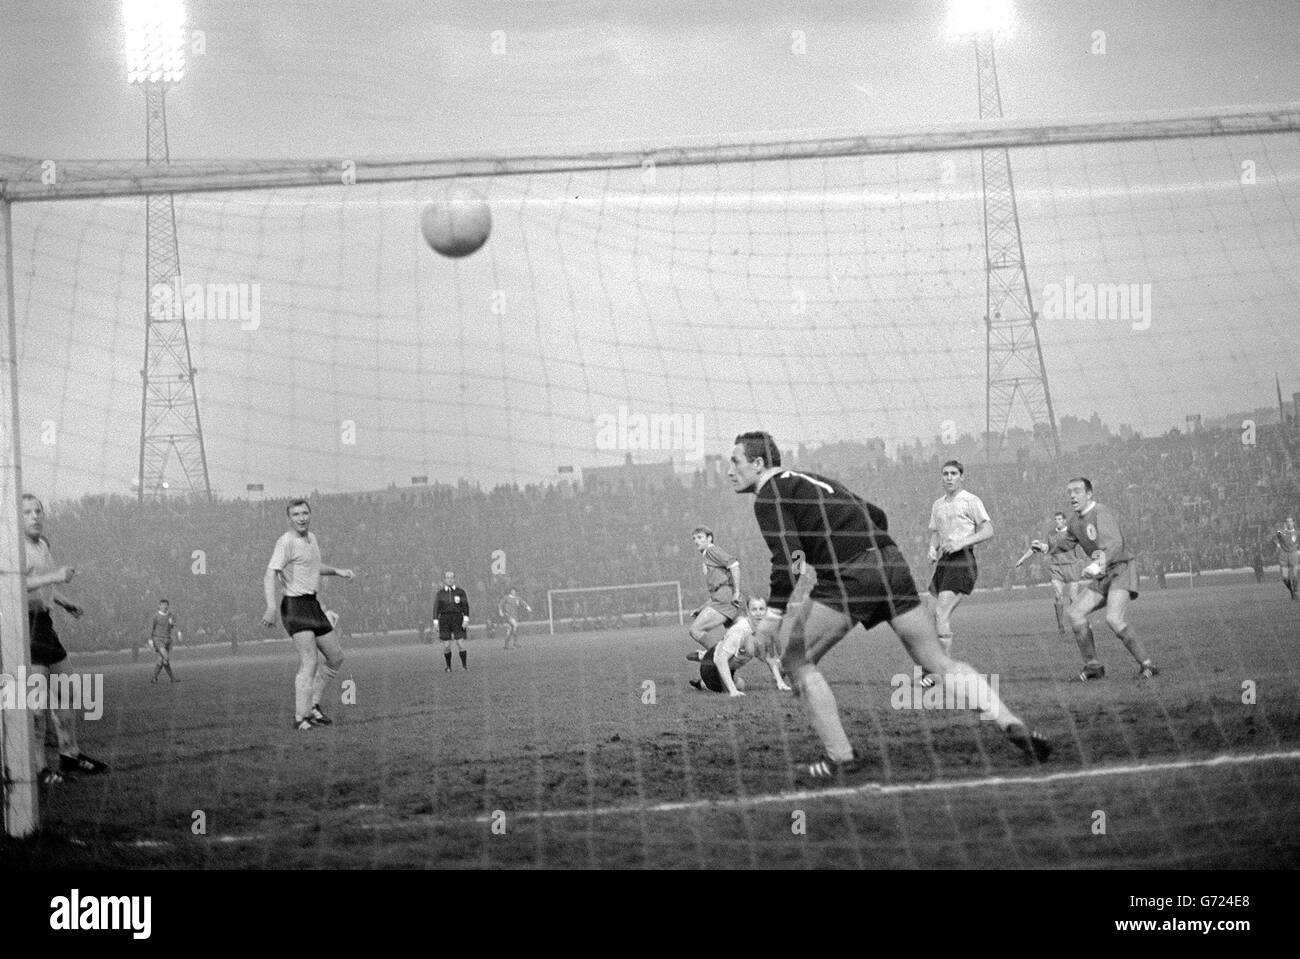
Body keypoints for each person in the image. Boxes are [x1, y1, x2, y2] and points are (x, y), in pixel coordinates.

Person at [728, 432, 1050, 778]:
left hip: (849, 574)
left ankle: (841, 758)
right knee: (937, 661)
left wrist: (773, 617)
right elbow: (877, 515)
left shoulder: (768, 496)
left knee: (795, 662)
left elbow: (789, 559)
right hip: (890, 563)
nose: (730, 470)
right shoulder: (813, 481)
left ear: (758, 463)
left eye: (735, 461)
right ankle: (1011, 723)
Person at [21, 494, 110, 783]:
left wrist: (64, 601)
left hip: (43, 624)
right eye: (27, 512)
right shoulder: (12, 547)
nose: (35, 517)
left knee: (66, 692)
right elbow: (16, 584)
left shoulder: (43, 544)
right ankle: (38, 770)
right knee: (34, 707)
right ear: (16, 518)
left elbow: (43, 582)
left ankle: (70, 756)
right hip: (23, 625)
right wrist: (55, 577)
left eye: (38, 511)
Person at [1032, 478, 1157, 682]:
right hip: (1103, 573)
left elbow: (1115, 544)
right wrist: (1046, 548)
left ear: (1089, 494)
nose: (1072, 495)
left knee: (1113, 619)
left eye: (1077, 491)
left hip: (1120, 569)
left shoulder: (1101, 512)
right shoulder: (1074, 521)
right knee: (1075, 613)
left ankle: (1148, 665)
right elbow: (1067, 543)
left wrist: (1097, 564)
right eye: (1069, 492)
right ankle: (1093, 667)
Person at [261, 498, 354, 730]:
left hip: (313, 605)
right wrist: (271, 606)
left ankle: (313, 706)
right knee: (309, 661)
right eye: (296, 515)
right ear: (289, 519)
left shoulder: (312, 539)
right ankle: (300, 718)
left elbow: (313, 566)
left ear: (310, 515)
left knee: (335, 657)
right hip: (294, 606)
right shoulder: (285, 542)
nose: (301, 518)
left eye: (304, 513)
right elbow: (269, 574)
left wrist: (337, 571)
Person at [924, 461, 993, 680]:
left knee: (941, 613)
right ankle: (932, 668)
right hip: (944, 562)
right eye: (945, 473)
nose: (949, 477)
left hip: (962, 560)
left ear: (961, 477)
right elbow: (935, 532)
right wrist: (931, 549)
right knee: (928, 616)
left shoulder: (971, 500)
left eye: (954, 473)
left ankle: (940, 673)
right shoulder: (938, 505)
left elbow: (988, 530)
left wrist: (962, 542)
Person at [689, 596, 792, 695]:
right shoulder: (740, 629)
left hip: (728, 665)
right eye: (754, 609)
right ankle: (705, 678)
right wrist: (733, 691)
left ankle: (701, 682)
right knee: (727, 688)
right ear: (748, 611)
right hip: (712, 666)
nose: (758, 613)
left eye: (761, 609)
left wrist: (780, 683)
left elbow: (769, 657)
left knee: (741, 685)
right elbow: (720, 660)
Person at [1023, 511, 1087, 634]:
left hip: (1072, 567)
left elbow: (1083, 543)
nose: (1057, 521)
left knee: (1073, 598)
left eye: (1059, 519)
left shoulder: (1071, 533)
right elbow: (1045, 548)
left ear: (1064, 520)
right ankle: (1060, 625)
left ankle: (1075, 623)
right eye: (1055, 519)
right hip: (1057, 567)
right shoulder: (1051, 534)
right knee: (1058, 595)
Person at [686, 526, 743, 659]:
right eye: (694, 538)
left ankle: (713, 656)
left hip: (726, 599)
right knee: (743, 642)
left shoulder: (711, 551)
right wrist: (702, 608)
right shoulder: (707, 557)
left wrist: (737, 592)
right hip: (722, 597)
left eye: (700, 537)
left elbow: (734, 565)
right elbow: (717, 590)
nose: (696, 541)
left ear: (709, 538)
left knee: (696, 630)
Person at [435, 570, 470, 671]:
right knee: (446, 645)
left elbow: (466, 606)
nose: (449, 579)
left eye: (451, 577)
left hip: (458, 618)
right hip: (444, 620)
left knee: (460, 643)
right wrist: (436, 622)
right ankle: (448, 667)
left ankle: (464, 666)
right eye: (447, 577)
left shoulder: (460, 592)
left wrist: (466, 619)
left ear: (454, 579)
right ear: (444, 579)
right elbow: (436, 608)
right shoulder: (440, 593)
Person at [148, 598, 182, 683]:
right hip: (158, 639)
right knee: (166, 657)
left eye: (166, 605)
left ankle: (154, 678)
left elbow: (175, 625)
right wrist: (150, 640)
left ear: (168, 606)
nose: (164, 606)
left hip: (167, 640)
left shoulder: (170, 615)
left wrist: (178, 632)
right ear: (159, 606)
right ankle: (172, 678)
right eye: (162, 605)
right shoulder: (155, 616)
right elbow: (151, 628)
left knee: (161, 660)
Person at [1275, 517, 1299, 600]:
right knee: (1285, 578)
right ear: (1285, 523)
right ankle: (1292, 591)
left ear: (1293, 523)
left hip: (1293, 555)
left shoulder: (1297, 533)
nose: (1289, 523)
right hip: (1284, 556)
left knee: (1295, 576)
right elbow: (1275, 537)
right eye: (1287, 521)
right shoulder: (1281, 532)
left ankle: (1295, 591)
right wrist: (1278, 545)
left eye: (1290, 521)